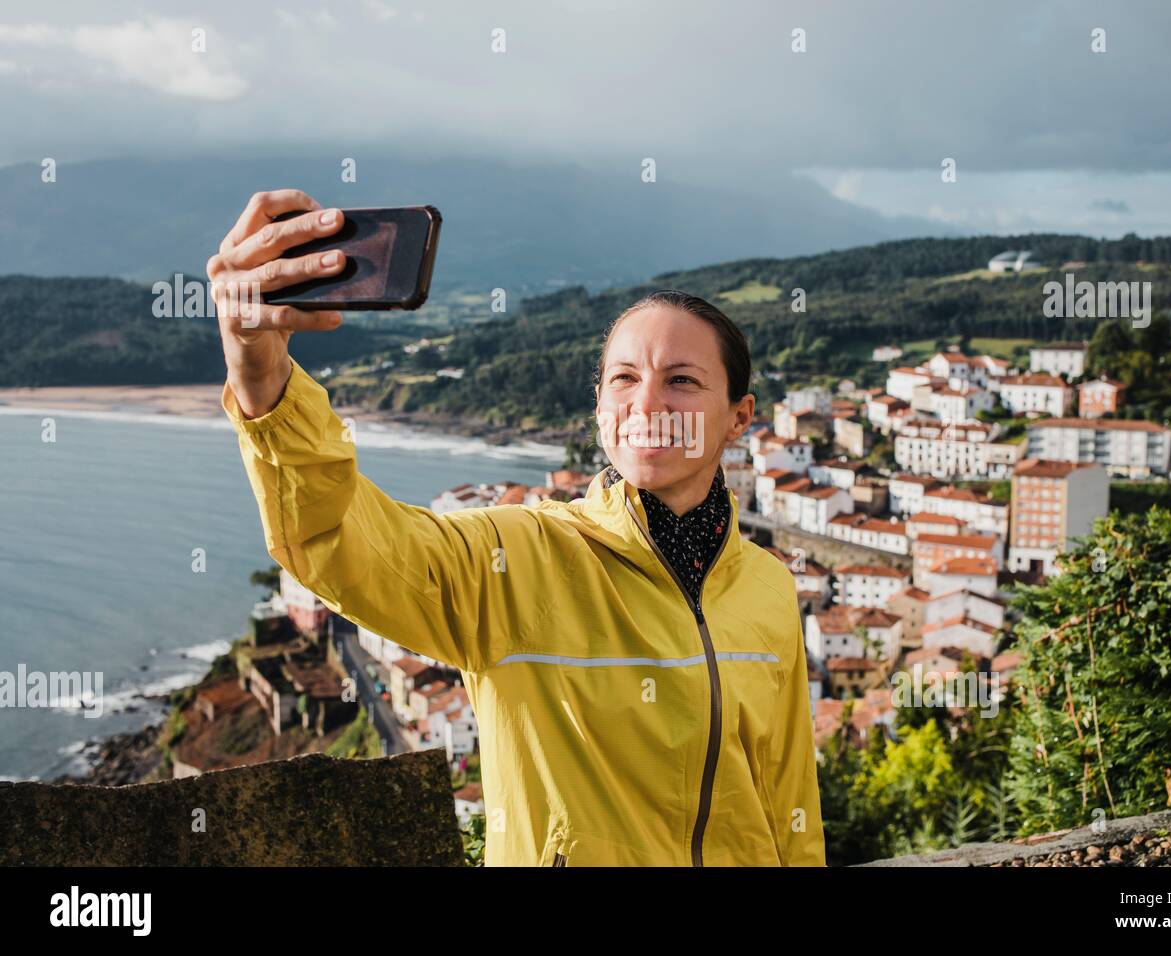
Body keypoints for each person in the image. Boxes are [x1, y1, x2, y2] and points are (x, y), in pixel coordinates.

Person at [209, 189, 826, 866]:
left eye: (681, 380)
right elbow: (339, 542)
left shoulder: (768, 588)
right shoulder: (514, 560)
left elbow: (789, 806)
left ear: (739, 417)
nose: (646, 402)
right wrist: (263, 379)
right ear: (598, 408)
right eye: (623, 378)